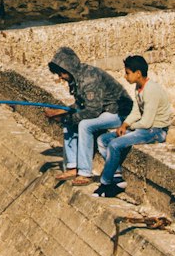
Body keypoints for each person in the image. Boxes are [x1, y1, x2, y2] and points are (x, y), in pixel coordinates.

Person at [94, 55, 174, 198]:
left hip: (155, 131)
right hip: (144, 128)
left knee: (114, 144)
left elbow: (147, 122)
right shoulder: (139, 88)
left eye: (127, 73)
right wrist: (125, 124)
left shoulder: (151, 90)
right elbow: (136, 111)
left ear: (138, 73)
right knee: (102, 140)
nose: (125, 76)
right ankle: (117, 178)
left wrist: (129, 128)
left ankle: (105, 183)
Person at [46, 47, 127, 176]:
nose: (60, 77)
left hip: (118, 112)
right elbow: (81, 103)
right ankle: (72, 166)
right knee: (69, 123)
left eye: (61, 73)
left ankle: (85, 172)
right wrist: (60, 112)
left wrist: (65, 118)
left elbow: (92, 112)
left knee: (85, 125)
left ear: (69, 69)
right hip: (103, 110)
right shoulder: (77, 78)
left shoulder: (89, 79)